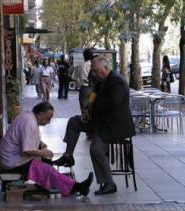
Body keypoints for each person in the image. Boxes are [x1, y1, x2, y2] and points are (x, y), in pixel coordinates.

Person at [53, 56, 136, 195]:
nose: (94, 75)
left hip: (113, 126)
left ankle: (109, 183)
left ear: (105, 68)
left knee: (96, 149)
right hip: (100, 121)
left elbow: (112, 104)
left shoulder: (117, 82)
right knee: (74, 122)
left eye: (96, 71)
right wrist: (87, 107)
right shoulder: (102, 81)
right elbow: (93, 94)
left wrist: (92, 110)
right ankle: (68, 155)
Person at [0, 102, 93, 196]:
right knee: (47, 169)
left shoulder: (29, 117)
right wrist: (43, 153)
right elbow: (27, 150)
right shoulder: (29, 123)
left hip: (14, 158)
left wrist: (41, 145)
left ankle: (65, 183)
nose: (49, 122)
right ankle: (79, 187)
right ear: (40, 115)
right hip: (12, 162)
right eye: (48, 119)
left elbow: (29, 139)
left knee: (47, 164)